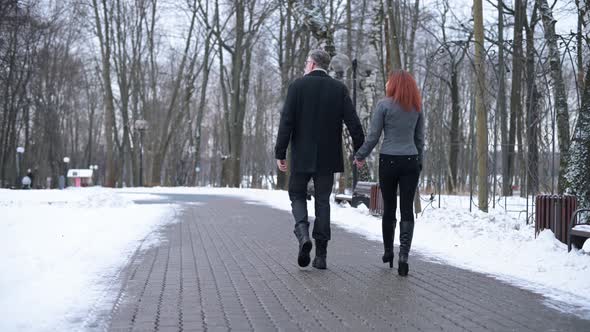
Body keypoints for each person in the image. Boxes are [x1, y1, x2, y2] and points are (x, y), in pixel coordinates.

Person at [275, 49, 365, 269]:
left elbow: (286, 121)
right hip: (327, 157)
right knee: (323, 202)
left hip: (301, 156)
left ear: (313, 64)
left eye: (306, 62)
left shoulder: (297, 87)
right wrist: (360, 151)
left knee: (296, 194)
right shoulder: (338, 89)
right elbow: (353, 123)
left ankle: (303, 234)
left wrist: (280, 152)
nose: (305, 66)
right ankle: (321, 256)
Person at [354, 70, 424, 276]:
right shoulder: (416, 107)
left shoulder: (383, 105)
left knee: (389, 208)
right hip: (411, 160)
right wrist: (420, 163)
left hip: (389, 161)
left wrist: (360, 155)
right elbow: (420, 140)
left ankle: (388, 252)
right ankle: (404, 255)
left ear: (393, 85)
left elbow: (374, 136)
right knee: (407, 210)